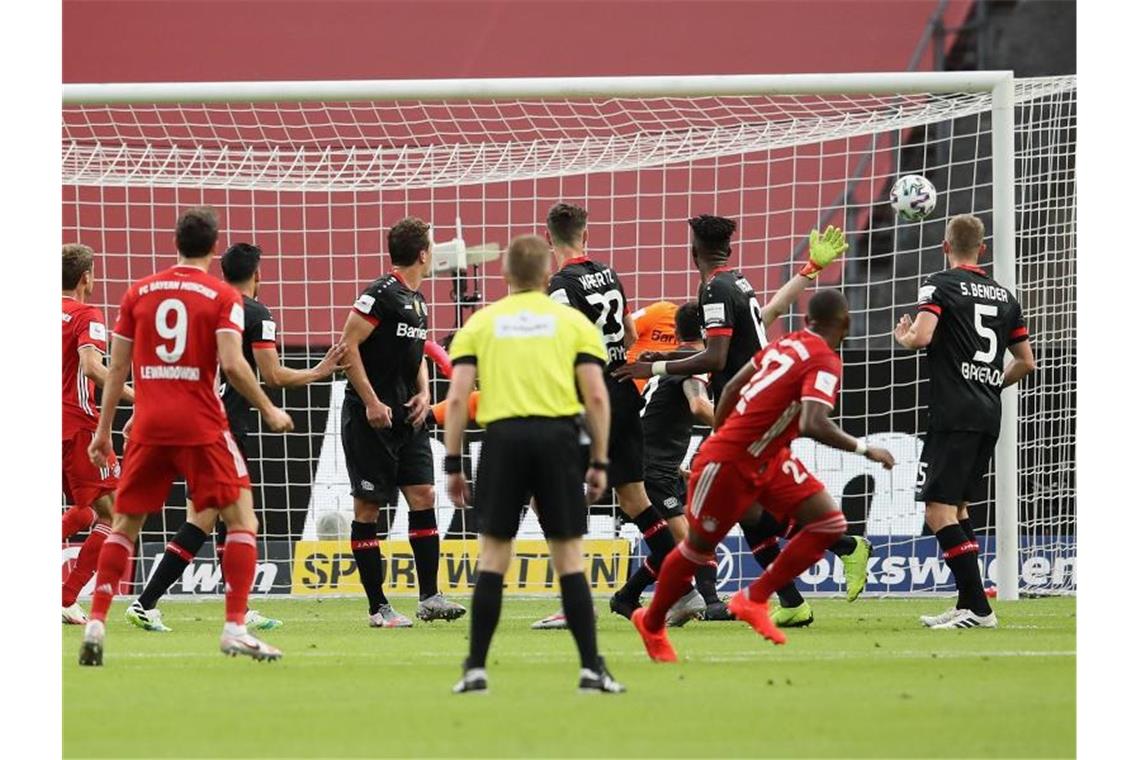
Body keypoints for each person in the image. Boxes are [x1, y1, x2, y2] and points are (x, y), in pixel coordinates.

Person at [616, 216, 871, 625]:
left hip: (751, 411)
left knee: (735, 505)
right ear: (728, 251)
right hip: (760, 405)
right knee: (749, 510)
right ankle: (793, 601)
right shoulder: (738, 282)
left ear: (692, 251)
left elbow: (716, 358)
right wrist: (809, 270)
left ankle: (843, 547)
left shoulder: (714, 289)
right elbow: (766, 316)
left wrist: (659, 368)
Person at [630, 289, 895, 662]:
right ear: (846, 325)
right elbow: (812, 421)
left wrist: (724, 427)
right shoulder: (826, 361)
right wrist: (865, 450)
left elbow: (734, 385)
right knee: (696, 549)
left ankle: (754, 598)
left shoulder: (786, 343)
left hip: (768, 458)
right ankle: (652, 621)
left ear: (807, 322)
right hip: (729, 461)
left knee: (829, 524)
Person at [80, 207, 294, 666]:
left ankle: (97, 621)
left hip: (150, 423)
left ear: (175, 243)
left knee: (126, 524)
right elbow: (235, 366)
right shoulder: (222, 296)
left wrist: (104, 431)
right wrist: (269, 407)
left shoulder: (139, 292)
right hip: (200, 423)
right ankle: (235, 627)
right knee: (241, 518)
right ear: (214, 248)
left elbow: (116, 368)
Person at [124, 242, 346, 633]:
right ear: (257, 275)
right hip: (219, 429)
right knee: (213, 518)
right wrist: (319, 370)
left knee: (224, 519)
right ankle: (145, 602)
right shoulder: (256, 313)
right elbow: (273, 375)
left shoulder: (203, 304)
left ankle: (235, 607)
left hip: (186, 419)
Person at [445, 234, 624, 694]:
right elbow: (598, 395)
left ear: (505, 275)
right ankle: (590, 670)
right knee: (568, 558)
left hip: (503, 440)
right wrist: (600, 460)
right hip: (558, 439)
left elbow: (459, 397)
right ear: (548, 274)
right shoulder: (573, 323)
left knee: (493, 557)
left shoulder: (481, 324)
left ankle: (475, 670)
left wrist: (452, 463)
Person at [532, 202, 703, 630]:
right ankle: (685, 589)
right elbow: (628, 333)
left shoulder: (559, 286)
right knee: (635, 499)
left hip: (585, 400)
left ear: (549, 238)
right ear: (585, 236)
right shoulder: (609, 274)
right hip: (624, 393)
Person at [894, 214, 1035, 630]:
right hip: (987, 411)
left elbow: (921, 336)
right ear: (983, 249)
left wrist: (904, 337)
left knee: (938, 511)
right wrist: (991, 383)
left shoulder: (940, 284)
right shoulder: (1006, 297)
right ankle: (967, 603)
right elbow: (1026, 362)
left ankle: (979, 608)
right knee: (958, 507)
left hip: (953, 411)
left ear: (944, 246)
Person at [340, 217, 465, 627]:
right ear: (423, 253)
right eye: (432, 247)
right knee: (369, 507)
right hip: (370, 418)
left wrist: (426, 393)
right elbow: (348, 347)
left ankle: (430, 597)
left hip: (408, 415)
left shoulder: (418, 298)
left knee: (424, 495)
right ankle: (378, 607)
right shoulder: (380, 294)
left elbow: (416, 354)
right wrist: (371, 401)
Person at [609, 301, 724, 617]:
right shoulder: (693, 362)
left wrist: (676, 467)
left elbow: (656, 416)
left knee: (675, 541)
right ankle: (704, 601)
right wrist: (738, 429)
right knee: (685, 540)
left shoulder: (673, 361)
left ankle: (631, 597)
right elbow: (699, 406)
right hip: (651, 466)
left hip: (652, 460)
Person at [61, 243, 134, 625]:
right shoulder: (87, 314)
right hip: (76, 425)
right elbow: (92, 366)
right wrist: (138, 395)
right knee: (116, 512)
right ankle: (65, 596)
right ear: (86, 277)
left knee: (86, 509)